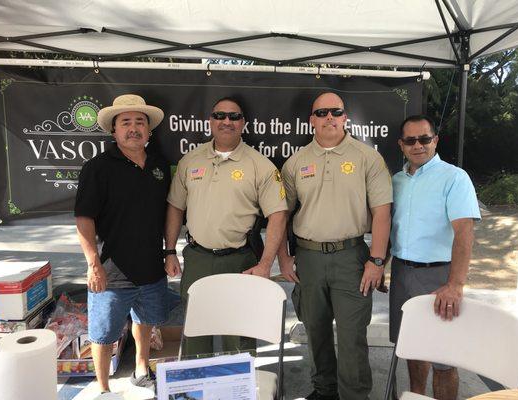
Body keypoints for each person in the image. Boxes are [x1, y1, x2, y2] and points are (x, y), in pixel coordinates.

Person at [278, 92, 393, 400]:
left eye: (336, 111)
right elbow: (281, 215)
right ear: (311, 121)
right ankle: (324, 390)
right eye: (321, 112)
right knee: (314, 330)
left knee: (352, 333)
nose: (329, 116)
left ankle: (355, 395)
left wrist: (377, 261)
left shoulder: (367, 157)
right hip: (308, 257)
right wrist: (284, 259)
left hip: (352, 258)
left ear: (345, 117)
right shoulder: (295, 162)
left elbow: (382, 213)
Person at [165, 96, 287, 356]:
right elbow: (175, 207)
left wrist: (266, 264)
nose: (226, 121)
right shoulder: (190, 161)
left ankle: (240, 391)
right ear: (210, 122)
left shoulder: (260, 165)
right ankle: (197, 393)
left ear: (243, 123)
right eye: (220, 116)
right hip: (197, 258)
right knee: (195, 335)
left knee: (239, 338)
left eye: (234, 116)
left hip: (240, 260)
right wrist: (170, 251)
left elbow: (278, 216)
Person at [75, 94, 170, 394]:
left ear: (149, 131)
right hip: (111, 271)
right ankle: (103, 388)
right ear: (113, 131)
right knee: (103, 335)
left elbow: (169, 212)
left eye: (139, 122)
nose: (133, 128)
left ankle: (141, 369)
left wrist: (169, 251)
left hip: (152, 267)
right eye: (125, 122)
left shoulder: (160, 166)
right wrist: (93, 264)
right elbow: (84, 219)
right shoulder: (98, 168)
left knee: (145, 321)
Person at [389, 114, 480, 399]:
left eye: (425, 139)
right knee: (412, 347)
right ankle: (417, 394)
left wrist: (455, 284)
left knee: (443, 358)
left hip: (440, 276)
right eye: (411, 140)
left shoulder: (454, 177)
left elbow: (464, 232)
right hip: (403, 273)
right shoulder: (396, 181)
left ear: (435, 141)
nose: (418, 145)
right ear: (401, 145)